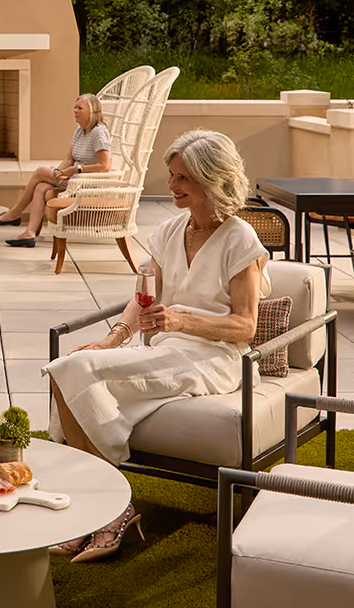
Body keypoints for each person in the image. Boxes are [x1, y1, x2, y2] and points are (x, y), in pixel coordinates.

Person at [44, 129, 269, 563]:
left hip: (213, 358)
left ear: (212, 178)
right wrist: (113, 339)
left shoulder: (241, 240)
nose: (171, 186)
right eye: (171, 175)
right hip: (164, 350)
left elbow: (245, 327)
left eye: (182, 178)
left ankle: (111, 508)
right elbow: (142, 297)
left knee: (70, 372)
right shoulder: (168, 231)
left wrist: (183, 319)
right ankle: (106, 507)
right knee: (70, 365)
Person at [0, 93, 112, 247]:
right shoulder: (80, 130)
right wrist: (58, 172)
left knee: (40, 171)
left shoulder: (98, 132)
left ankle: (15, 213)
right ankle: (29, 233)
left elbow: (105, 166)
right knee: (41, 186)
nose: (75, 110)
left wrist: (76, 170)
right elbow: (69, 159)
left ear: (92, 111)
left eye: (80, 108)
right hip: (73, 177)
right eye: (75, 107)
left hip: (89, 183)